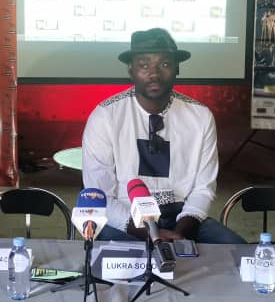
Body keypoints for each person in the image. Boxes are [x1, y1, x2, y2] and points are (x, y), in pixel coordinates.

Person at [82, 28, 245, 244]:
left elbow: (203, 188)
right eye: (144, 65)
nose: (154, 74)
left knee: (237, 253)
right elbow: (99, 194)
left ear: (177, 68)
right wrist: (149, 233)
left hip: (182, 218)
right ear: (131, 69)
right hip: (126, 220)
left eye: (165, 64)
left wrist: (180, 232)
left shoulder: (200, 116)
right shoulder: (106, 115)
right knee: (113, 260)